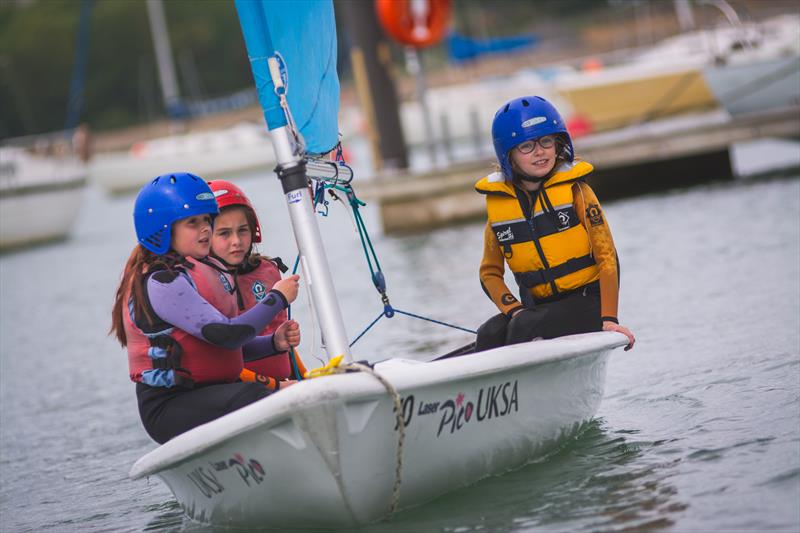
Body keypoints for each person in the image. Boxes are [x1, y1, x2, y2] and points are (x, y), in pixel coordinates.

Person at [109, 172, 302, 444]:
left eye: (206, 220)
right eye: (192, 223)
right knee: (253, 394)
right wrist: (277, 299)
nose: (204, 229)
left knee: (260, 392)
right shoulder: (162, 282)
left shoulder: (188, 273)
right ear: (163, 228)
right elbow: (228, 335)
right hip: (169, 406)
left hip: (209, 394)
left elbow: (218, 350)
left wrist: (273, 343)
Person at [474, 96, 635, 352]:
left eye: (546, 141)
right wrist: (513, 309)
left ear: (558, 143)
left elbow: (607, 257)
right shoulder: (500, 205)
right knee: (489, 333)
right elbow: (489, 273)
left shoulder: (578, 192)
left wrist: (610, 319)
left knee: (524, 326)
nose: (540, 151)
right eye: (526, 146)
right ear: (509, 155)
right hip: (536, 308)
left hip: (587, 303)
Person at [207, 179, 309, 390]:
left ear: (253, 231)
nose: (236, 240)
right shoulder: (202, 283)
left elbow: (285, 345)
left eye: (243, 230)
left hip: (285, 386)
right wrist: (276, 386)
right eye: (224, 233)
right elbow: (221, 357)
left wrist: (306, 378)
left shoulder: (267, 270)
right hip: (244, 393)